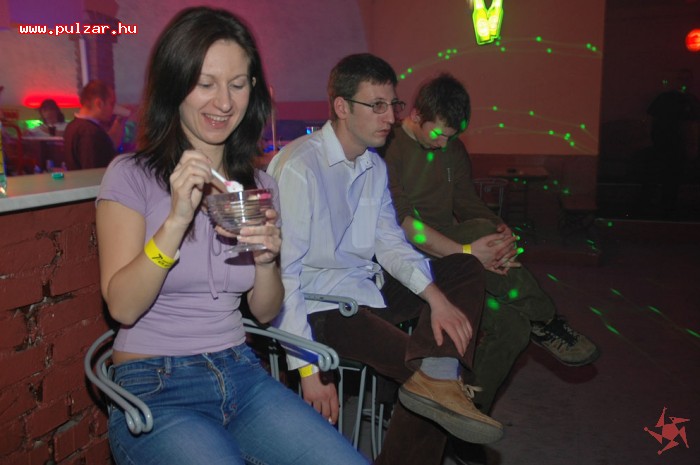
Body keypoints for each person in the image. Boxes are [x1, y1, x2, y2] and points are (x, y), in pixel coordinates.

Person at [95, 7, 368, 465]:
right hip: (155, 384)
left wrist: (266, 260)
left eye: (237, 84)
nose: (223, 102)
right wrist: (176, 220)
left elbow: (264, 310)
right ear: (175, 84)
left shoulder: (259, 186)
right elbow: (122, 306)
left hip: (240, 372)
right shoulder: (131, 175)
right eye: (206, 83)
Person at [267, 53, 503, 465]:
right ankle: (439, 381)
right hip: (319, 306)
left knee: (464, 267)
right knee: (424, 382)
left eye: (392, 104)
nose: (391, 117)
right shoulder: (300, 166)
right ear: (342, 107)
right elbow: (284, 276)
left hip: (368, 288)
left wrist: (436, 297)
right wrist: (306, 368)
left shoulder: (374, 167)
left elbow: (391, 243)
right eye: (376, 105)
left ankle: (441, 375)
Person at [380, 73, 600, 418]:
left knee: (514, 327)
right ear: (416, 114)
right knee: (480, 232)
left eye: (451, 137)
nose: (444, 144)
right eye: (438, 134)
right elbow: (404, 225)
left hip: (453, 254)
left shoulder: (451, 147)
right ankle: (546, 319)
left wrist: (500, 232)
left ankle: (469, 411)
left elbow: (467, 202)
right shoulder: (389, 146)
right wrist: (469, 253)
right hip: (407, 258)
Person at [63, 79, 122, 169]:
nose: (113, 109)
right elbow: (94, 171)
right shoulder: (90, 132)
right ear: (99, 104)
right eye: (111, 103)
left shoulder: (72, 126)